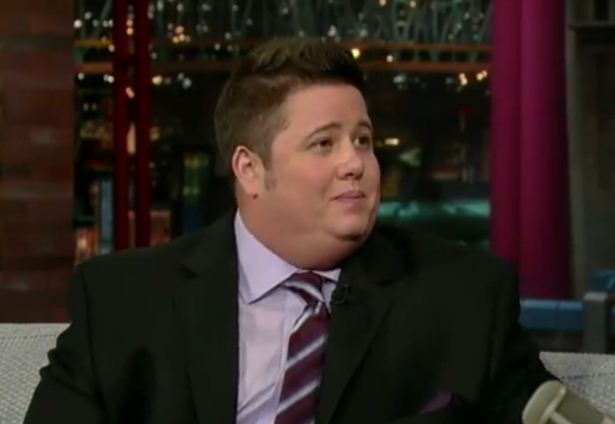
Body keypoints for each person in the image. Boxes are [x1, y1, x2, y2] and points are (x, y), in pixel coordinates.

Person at [26, 38, 551, 424]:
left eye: (363, 140)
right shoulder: (120, 301)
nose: (355, 163)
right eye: (324, 143)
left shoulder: (466, 297)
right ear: (250, 169)